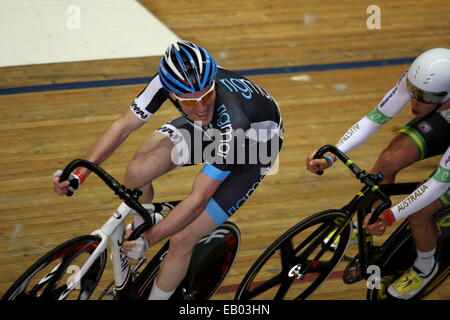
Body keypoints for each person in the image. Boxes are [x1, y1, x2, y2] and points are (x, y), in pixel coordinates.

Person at [52, 40, 283, 300]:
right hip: (211, 128)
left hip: (251, 146)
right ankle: (143, 224)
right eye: (188, 101)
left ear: (212, 83)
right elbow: (123, 127)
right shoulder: (170, 81)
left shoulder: (233, 121)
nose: (200, 106)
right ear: (172, 93)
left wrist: (150, 238)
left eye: (207, 95)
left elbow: (198, 199)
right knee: (138, 172)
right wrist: (79, 173)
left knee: (183, 237)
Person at [306, 48, 450, 299]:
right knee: (389, 159)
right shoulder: (421, 81)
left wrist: (392, 216)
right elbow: (375, 118)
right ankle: (360, 226)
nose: (414, 103)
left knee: (418, 211)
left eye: (424, 98)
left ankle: (426, 267)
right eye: (413, 93)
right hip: (444, 116)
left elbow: (438, 183)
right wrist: (331, 155)